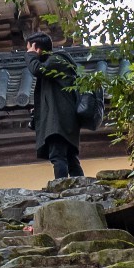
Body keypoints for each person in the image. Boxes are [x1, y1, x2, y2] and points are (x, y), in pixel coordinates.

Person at [29, 33, 85, 180]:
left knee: (58, 155)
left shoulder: (57, 60)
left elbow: (37, 70)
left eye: (29, 48)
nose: (28, 52)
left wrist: (30, 55)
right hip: (64, 117)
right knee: (70, 158)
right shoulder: (57, 63)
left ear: (37, 48)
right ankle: (81, 186)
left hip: (59, 118)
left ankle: (61, 186)